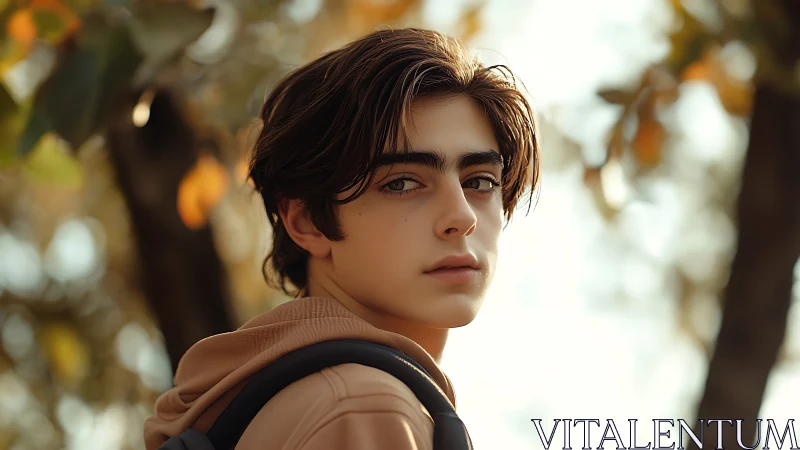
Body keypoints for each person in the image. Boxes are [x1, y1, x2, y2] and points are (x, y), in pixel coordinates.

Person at [144, 27, 539, 450]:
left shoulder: (300, 399)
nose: (461, 217)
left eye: (480, 180)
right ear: (307, 221)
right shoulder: (363, 408)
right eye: (402, 184)